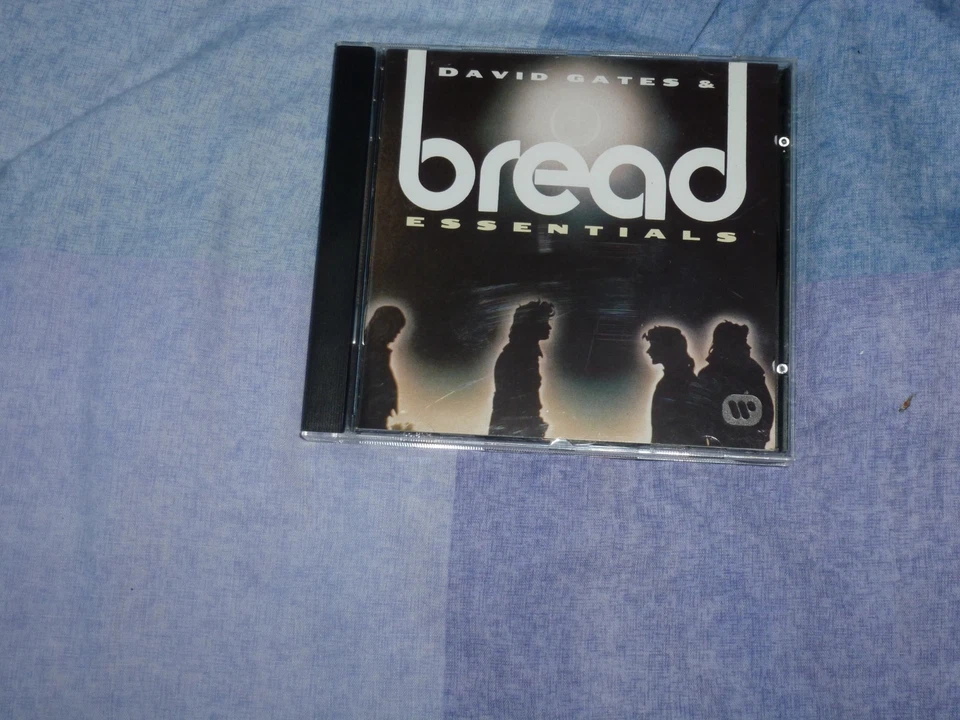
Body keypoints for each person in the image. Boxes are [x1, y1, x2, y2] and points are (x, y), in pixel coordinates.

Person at [692, 321, 773, 449]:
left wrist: (759, 438)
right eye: (742, 342)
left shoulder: (753, 374)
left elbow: (766, 409)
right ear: (729, 345)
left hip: (749, 445)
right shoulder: (708, 375)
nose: (748, 347)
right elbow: (700, 415)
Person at [489, 300, 555, 438]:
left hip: (519, 428)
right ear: (531, 325)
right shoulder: (518, 357)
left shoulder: (523, 355)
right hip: (515, 430)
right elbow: (513, 403)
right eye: (544, 322)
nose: (549, 327)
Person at [642, 326, 700, 445]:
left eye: (653, 345)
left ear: (667, 348)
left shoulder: (677, 383)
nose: (648, 351)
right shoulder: (674, 381)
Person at [358, 305, 406, 430]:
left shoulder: (379, 352)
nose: (398, 332)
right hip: (369, 417)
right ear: (385, 325)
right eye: (396, 326)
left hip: (377, 416)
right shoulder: (366, 351)